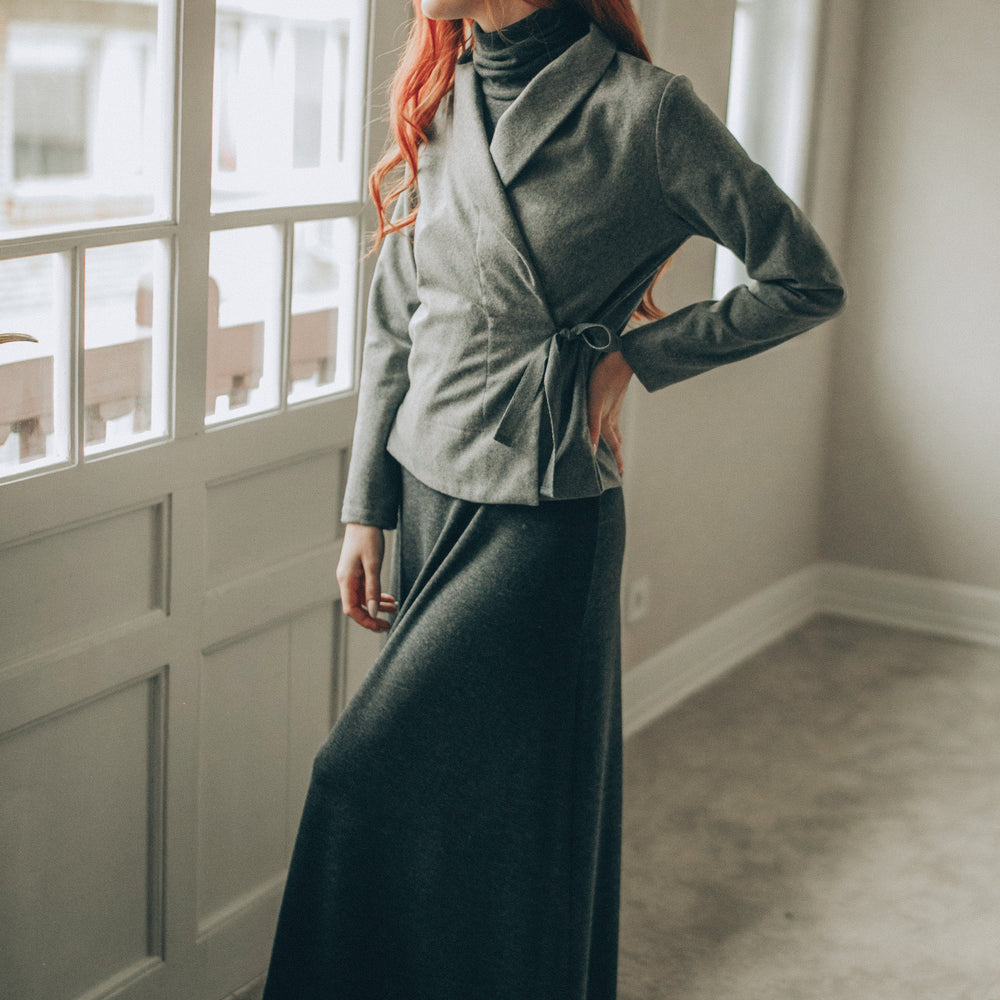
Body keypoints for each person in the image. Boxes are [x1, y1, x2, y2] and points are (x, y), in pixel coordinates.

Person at [262, 0, 845, 997]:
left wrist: (633, 355)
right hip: (428, 495)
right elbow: (398, 317)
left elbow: (804, 279)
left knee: (358, 779)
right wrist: (367, 506)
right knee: (475, 824)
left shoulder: (647, 114)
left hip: (542, 522)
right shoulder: (444, 91)